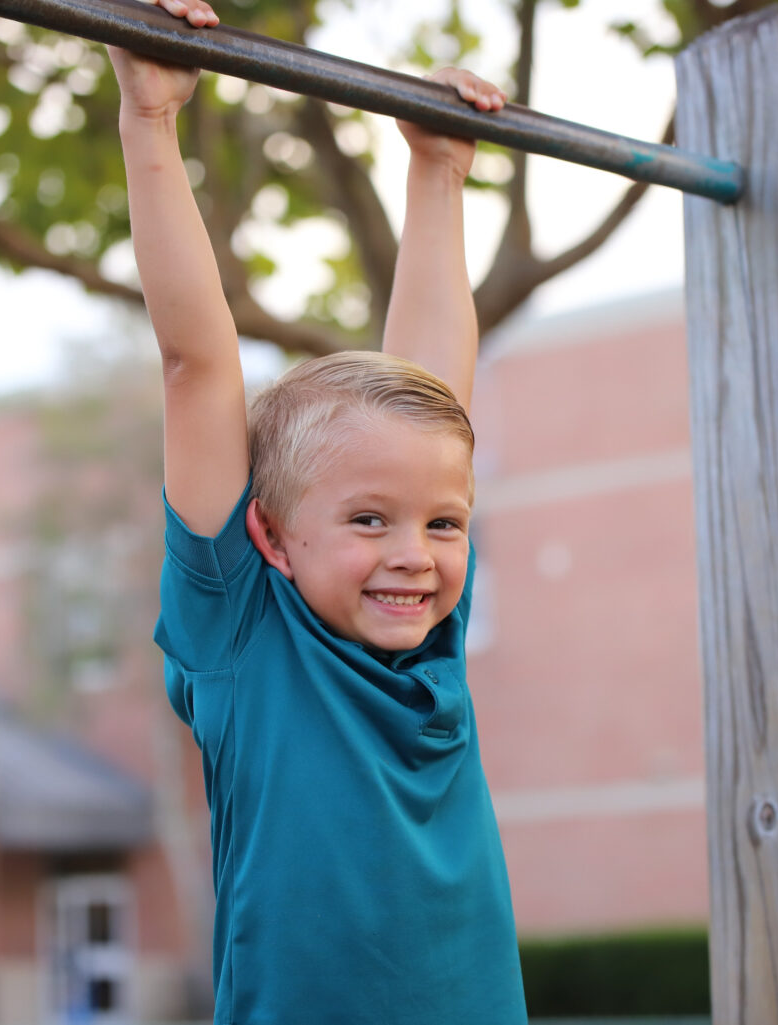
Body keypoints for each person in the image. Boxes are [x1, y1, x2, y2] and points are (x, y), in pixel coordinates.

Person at [109, 2, 528, 1021]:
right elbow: (195, 365)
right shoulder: (246, 634)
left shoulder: (428, 642)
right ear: (268, 536)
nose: (416, 554)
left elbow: (432, 397)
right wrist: (150, 120)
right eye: (368, 520)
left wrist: (438, 173)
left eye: (441, 523)